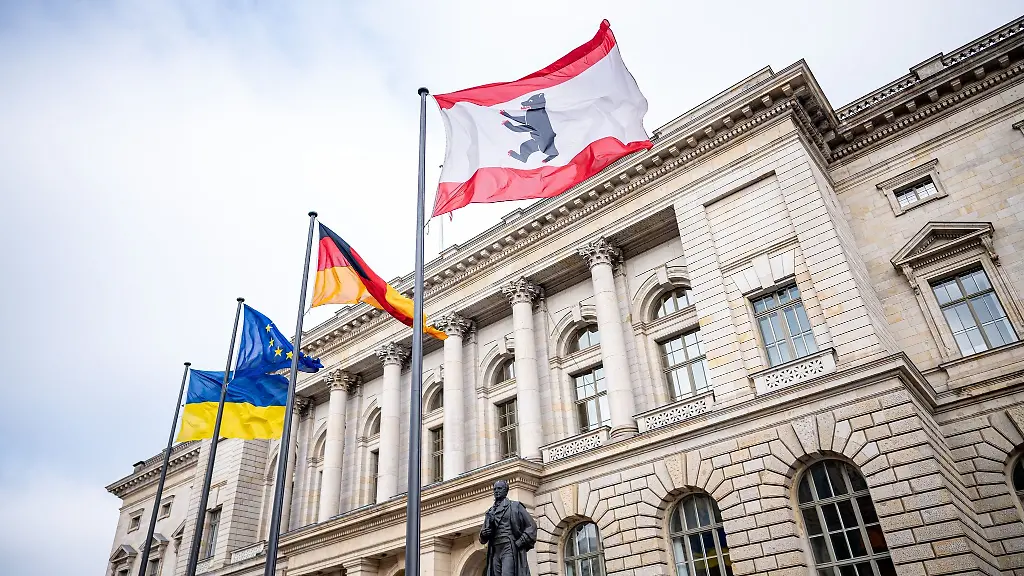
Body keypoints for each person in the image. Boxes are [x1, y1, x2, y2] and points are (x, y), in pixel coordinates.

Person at [480, 480, 537, 576]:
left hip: (509, 546)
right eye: (494, 489)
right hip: (495, 549)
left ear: (506, 491)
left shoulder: (515, 506)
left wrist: (519, 542)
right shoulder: (490, 512)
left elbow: (532, 526)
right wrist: (483, 534)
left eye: (499, 488)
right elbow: (483, 537)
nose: (496, 491)